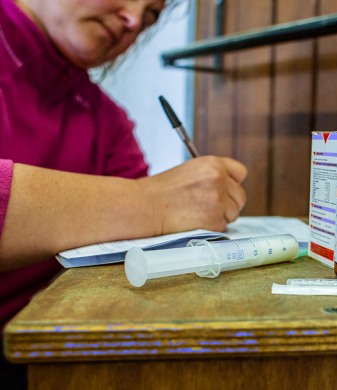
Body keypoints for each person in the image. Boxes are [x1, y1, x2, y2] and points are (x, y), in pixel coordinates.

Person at [0, 0, 247, 387]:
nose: (133, 21)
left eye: (152, 13)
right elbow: (148, 208)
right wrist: (156, 202)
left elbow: (138, 247)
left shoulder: (107, 121)